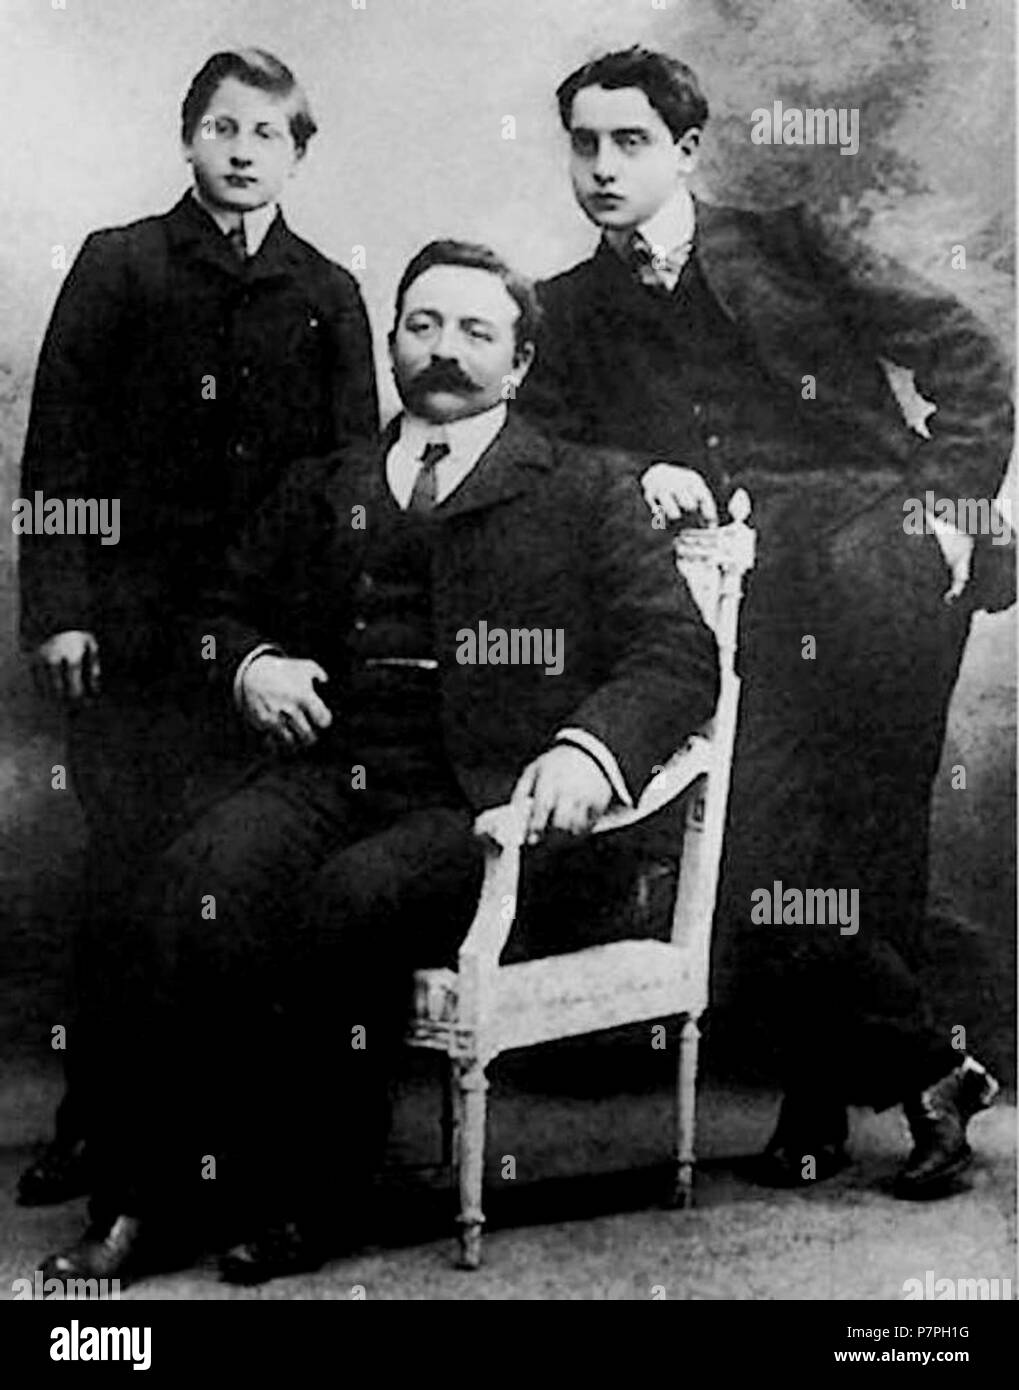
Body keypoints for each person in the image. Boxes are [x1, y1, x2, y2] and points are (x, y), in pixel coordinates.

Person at [39, 239, 719, 1289]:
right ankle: (148, 1198)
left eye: (475, 331)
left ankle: (303, 1195)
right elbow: (214, 613)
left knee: (345, 902)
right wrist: (251, 664)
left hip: (479, 798)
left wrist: (587, 752)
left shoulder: (582, 490)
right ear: (393, 340)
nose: (443, 351)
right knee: (197, 880)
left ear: (521, 363)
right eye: (421, 325)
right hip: (331, 770)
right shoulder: (323, 484)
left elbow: (676, 655)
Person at [518, 45, 1013, 1196]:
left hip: (886, 572)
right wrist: (638, 470)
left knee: (874, 839)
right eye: (583, 144)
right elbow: (544, 451)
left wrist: (944, 508)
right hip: (743, 600)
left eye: (627, 142)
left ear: (684, 150)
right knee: (764, 853)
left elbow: (969, 361)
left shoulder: (787, 240)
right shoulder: (564, 309)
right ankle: (933, 1074)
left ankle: (817, 1106)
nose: (601, 167)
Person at [17, 47, 378, 1205]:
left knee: (226, 880)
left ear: (296, 154)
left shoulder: (326, 292)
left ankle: (217, 1130)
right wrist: (62, 612)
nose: (239, 151)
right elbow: (59, 450)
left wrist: (327, 640)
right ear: (187, 140)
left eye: (266, 134)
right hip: (128, 640)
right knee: (120, 874)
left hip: (263, 650)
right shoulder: (119, 266)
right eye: (221, 127)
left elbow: (350, 481)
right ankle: (94, 1124)